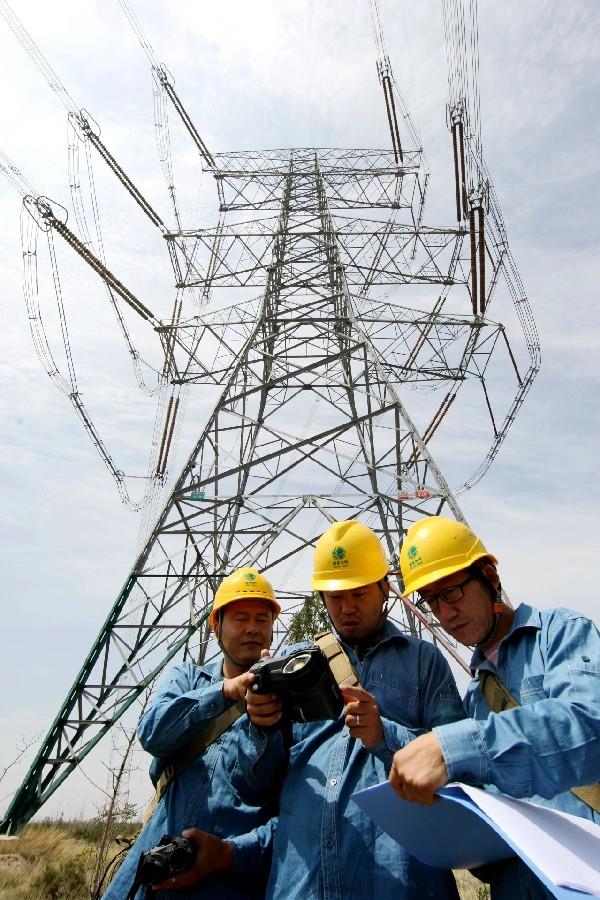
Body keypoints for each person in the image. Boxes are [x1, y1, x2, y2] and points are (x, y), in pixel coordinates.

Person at [237, 520, 465, 899]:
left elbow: (459, 765)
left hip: (401, 887)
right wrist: (260, 727)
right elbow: (254, 785)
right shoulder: (294, 665)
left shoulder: (424, 662)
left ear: (385, 588)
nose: (346, 608)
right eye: (335, 597)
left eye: (359, 594)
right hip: (303, 885)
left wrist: (385, 736)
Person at [390, 515, 600, 899]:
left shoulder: (562, 633)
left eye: (452, 592)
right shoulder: (474, 699)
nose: (445, 613)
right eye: (432, 601)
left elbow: (587, 726)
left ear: (489, 576)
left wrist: (458, 747)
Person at [103, 566, 281, 900]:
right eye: (240, 618)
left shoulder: (287, 702)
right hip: (152, 873)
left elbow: (291, 811)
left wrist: (231, 853)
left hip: (228, 885)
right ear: (216, 627)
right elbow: (152, 733)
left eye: (262, 619)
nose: (253, 629)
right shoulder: (187, 678)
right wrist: (224, 693)